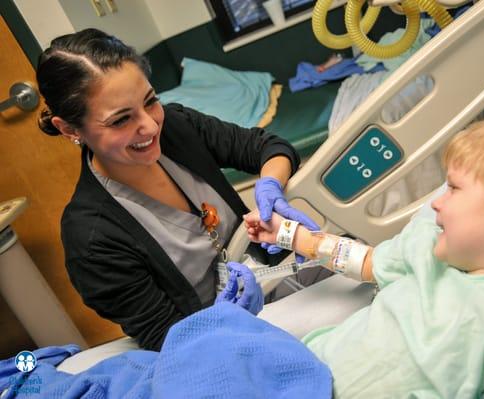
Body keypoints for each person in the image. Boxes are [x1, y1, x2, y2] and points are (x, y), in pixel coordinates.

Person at [244, 113, 484, 397]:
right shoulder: (429, 247)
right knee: (219, 335)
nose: (436, 203)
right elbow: (366, 262)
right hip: (302, 370)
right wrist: (291, 235)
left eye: (455, 189)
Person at [35, 28, 317, 351]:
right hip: (223, 340)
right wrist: (230, 317)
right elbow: (167, 338)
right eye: (121, 120)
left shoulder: (176, 127)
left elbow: (268, 147)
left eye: (150, 101)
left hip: (282, 279)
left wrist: (270, 186)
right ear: (70, 129)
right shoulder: (91, 239)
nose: (151, 125)